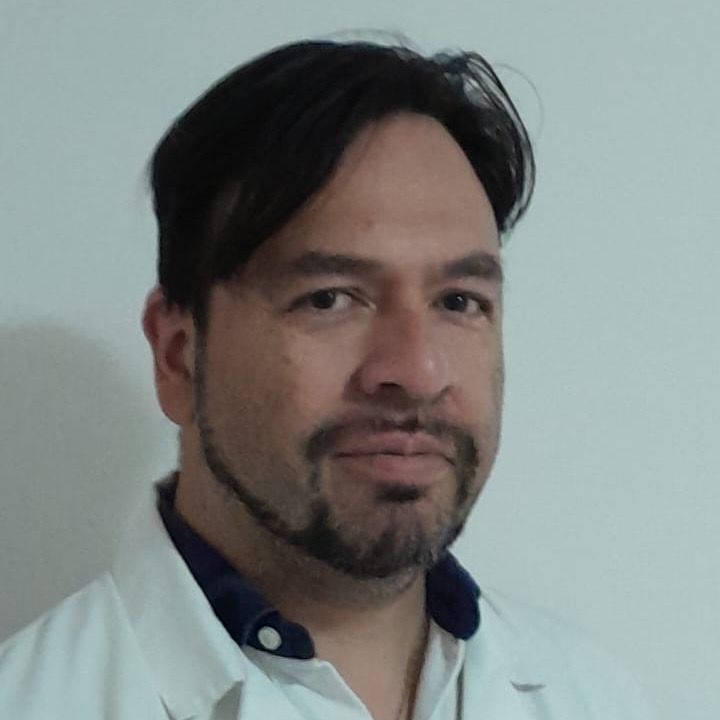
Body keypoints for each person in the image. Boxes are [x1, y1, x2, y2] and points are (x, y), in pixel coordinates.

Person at [0, 39, 651, 719]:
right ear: (178, 355)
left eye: (459, 301)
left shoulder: (594, 695)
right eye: (329, 299)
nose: (417, 372)